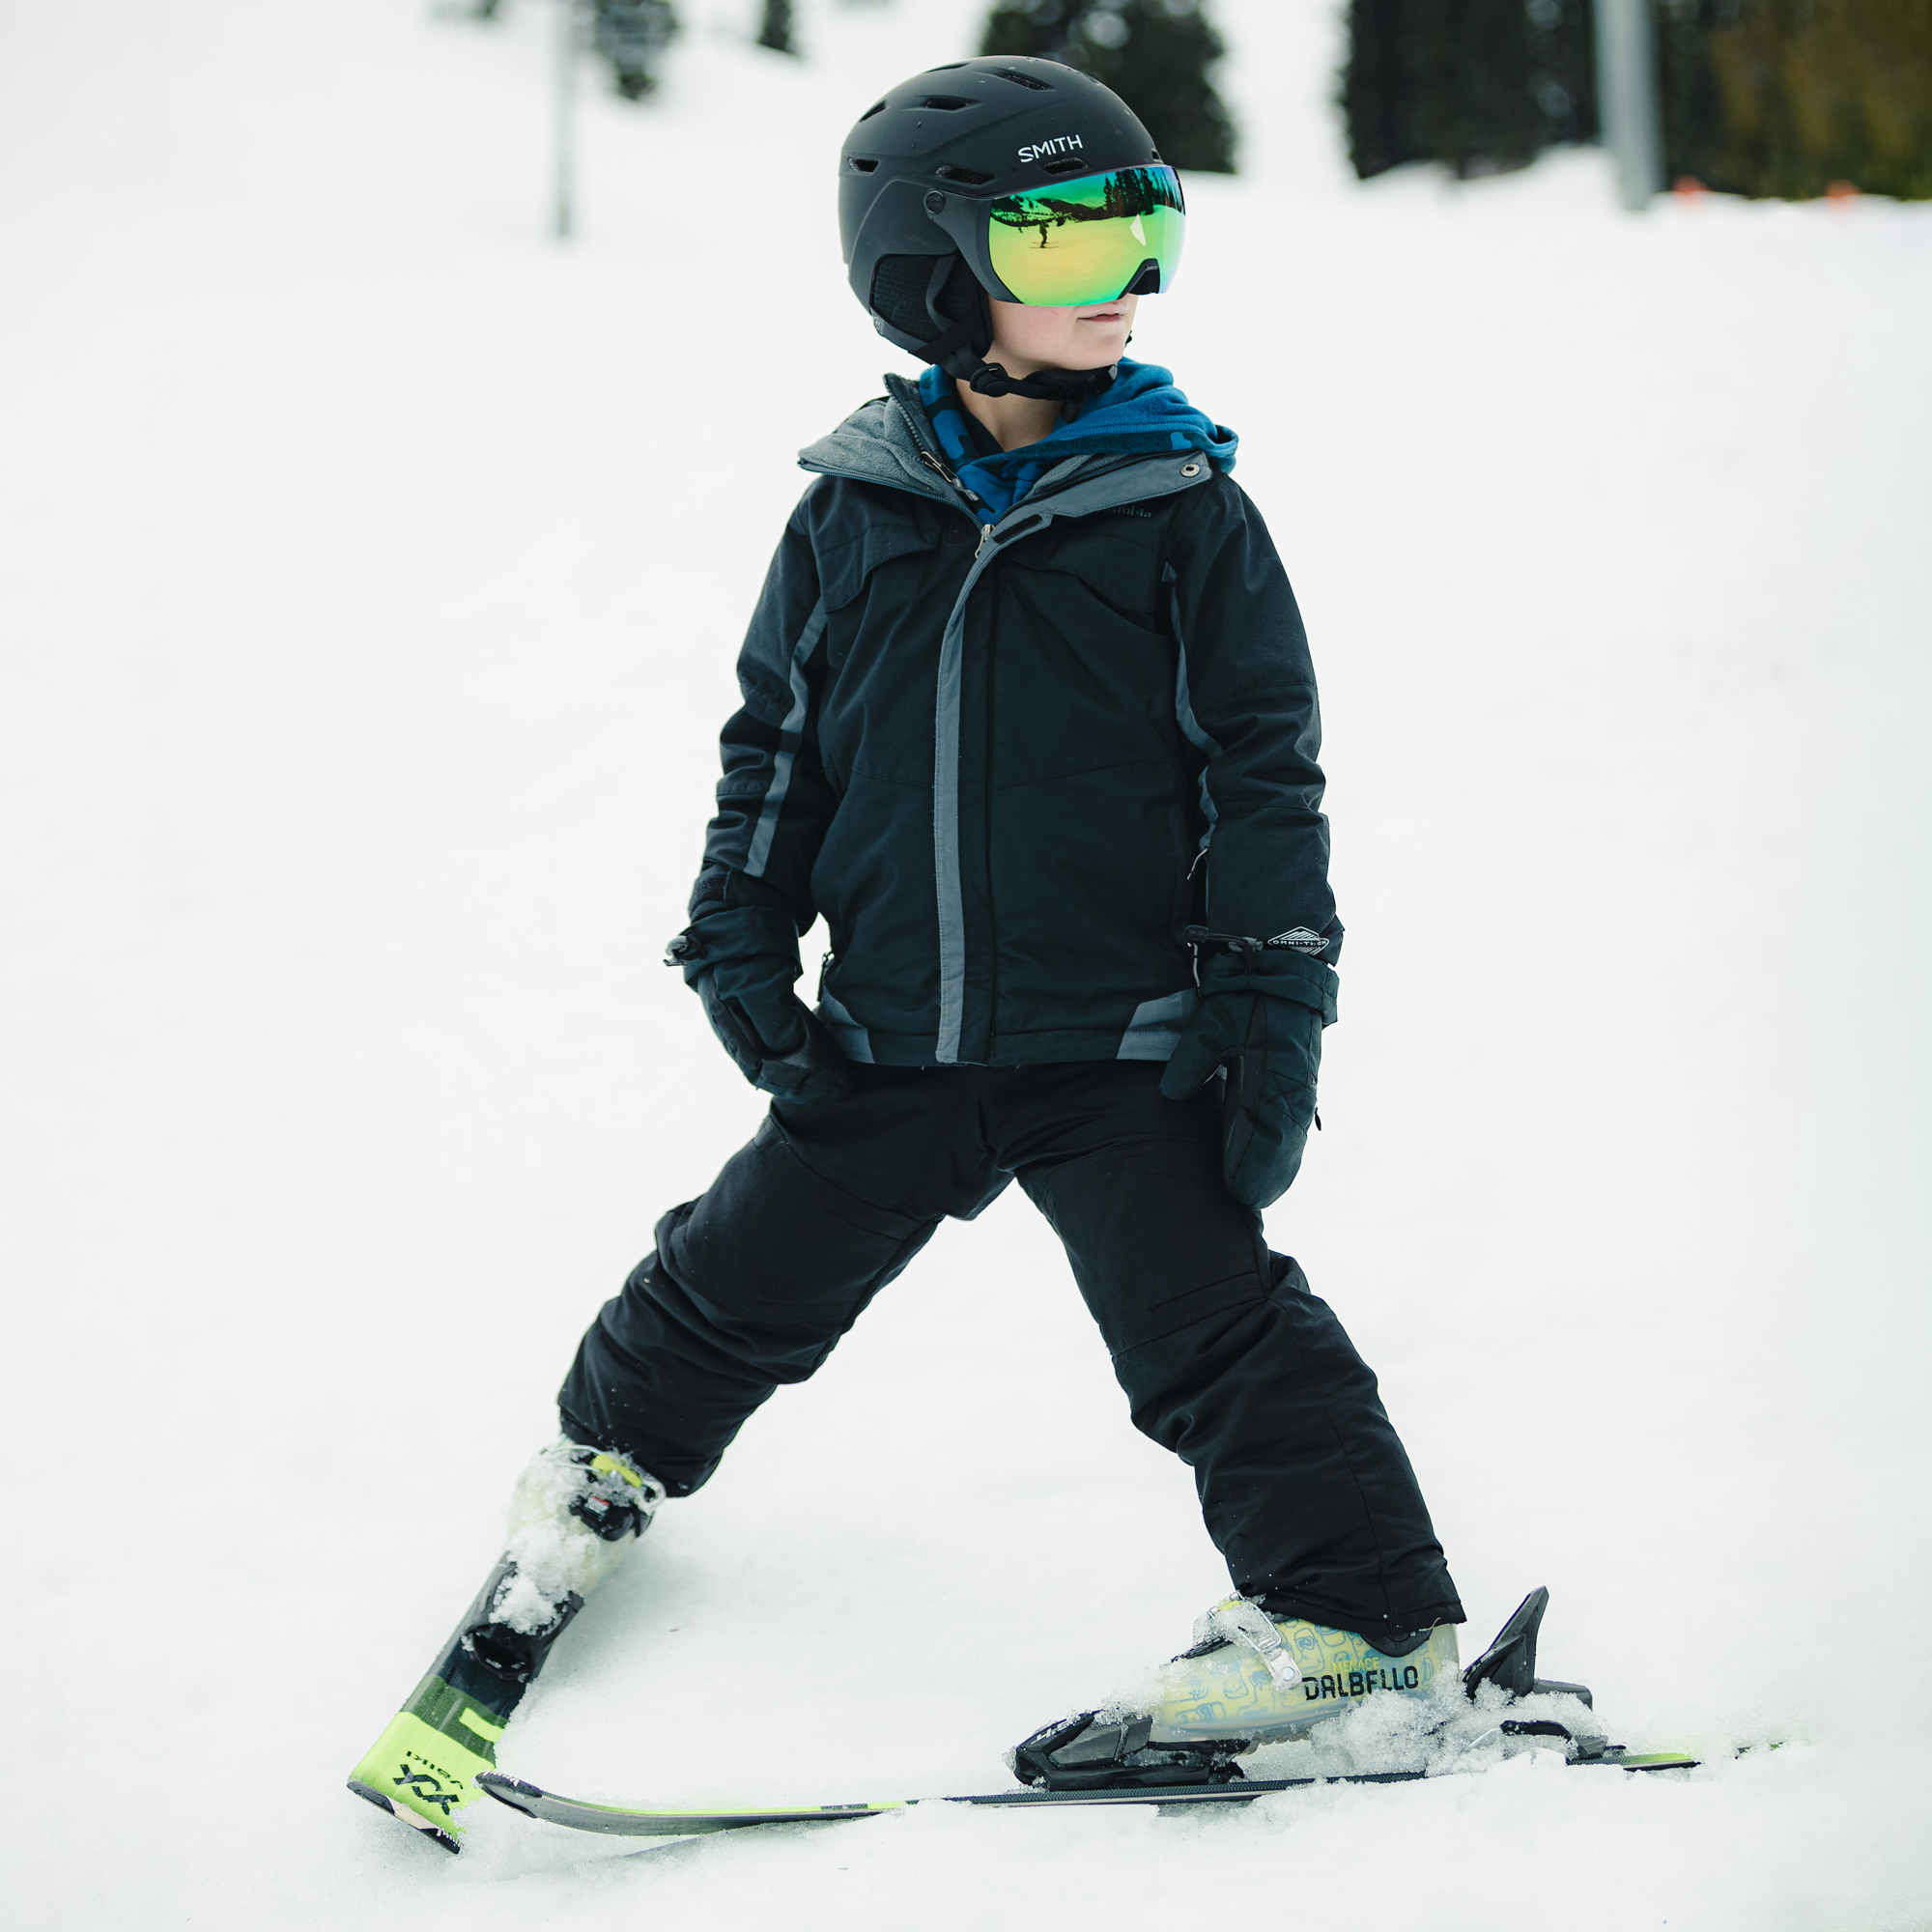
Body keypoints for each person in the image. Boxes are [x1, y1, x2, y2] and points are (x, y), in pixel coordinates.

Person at [494, 55, 1465, 1789]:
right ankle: (598, 1479)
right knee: (726, 1283)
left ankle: (1362, 1625)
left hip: (1120, 1044)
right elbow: (782, 741)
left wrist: (1274, 997)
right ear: (934, 274)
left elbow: (1264, 776)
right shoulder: (851, 513)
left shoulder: (1183, 516)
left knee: (1218, 1334)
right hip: (892, 1036)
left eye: (1146, 232)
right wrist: (737, 923)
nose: (1127, 279)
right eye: (1068, 240)